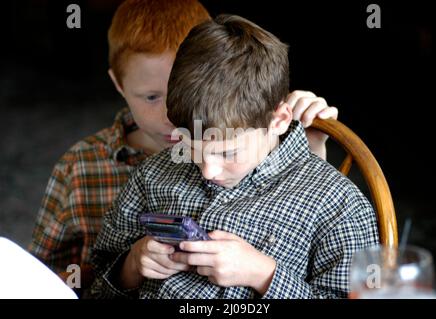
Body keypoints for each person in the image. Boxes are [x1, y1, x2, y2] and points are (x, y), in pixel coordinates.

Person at [29, 0, 337, 285]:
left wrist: (308, 144)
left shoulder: (250, 149)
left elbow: (305, 215)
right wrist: (129, 265)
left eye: (181, 94)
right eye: (152, 96)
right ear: (118, 84)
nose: (172, 115)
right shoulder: (81, 165)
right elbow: (41, 275)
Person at [90, 14, 379, 299]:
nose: (208, 171)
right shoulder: (153, 174)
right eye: (191, 147)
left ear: (278, 120)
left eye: (228, 152)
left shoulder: (338, 205)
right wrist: (131, 265)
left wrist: (262, 274)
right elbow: (96, 282)